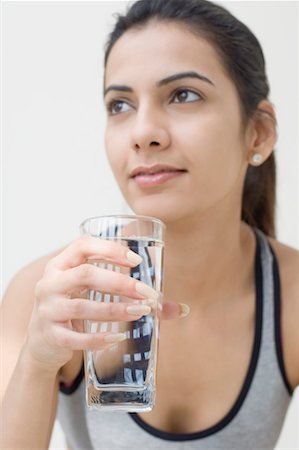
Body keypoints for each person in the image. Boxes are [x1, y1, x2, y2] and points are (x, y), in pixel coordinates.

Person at [1, 0, 298, 448]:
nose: (143, 132)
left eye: (183, 95)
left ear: (258, 132)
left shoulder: (291, 297)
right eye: (119, 104)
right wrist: (39, 360)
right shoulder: (48, 296)